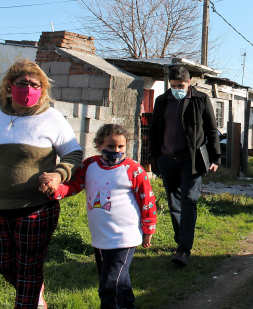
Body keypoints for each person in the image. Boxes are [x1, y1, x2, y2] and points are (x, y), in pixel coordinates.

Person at [0, 59, 83, 309]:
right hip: (1, 207)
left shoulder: (51, 117)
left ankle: (31, 299)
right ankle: (35, 292)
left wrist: (58, 175)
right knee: (5, 264)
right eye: (23, 83)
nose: (29, 88)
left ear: (43, 89)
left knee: (29, 269)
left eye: (35, 84)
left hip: (35, 207)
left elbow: (73, 153)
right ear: (9, 86)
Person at [47, 124, 156, 309]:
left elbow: (147, 201)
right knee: (120, 282)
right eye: (111, 146)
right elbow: (73, 186)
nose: (116, 150)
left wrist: (148, 228)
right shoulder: (89, 165)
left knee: (109, 286)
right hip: (100, 237)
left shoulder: (133, 169)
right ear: (98, 145)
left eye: (121, 146)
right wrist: (53, 189)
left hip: (124, 237)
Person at [149, 66, 220, 267]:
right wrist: (156, 156)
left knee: (189, 199)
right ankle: (181, 240)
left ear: (189, 82)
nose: (177, 89)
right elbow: (154, 131)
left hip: (192, 158)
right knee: (174, 201)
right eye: (173, 86)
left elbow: (211, 129)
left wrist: (215, 157)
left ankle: (183, 250)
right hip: (166, 158)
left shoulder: (200, 100)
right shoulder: (162, 101)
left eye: (180, 85)